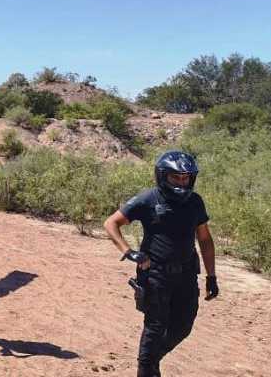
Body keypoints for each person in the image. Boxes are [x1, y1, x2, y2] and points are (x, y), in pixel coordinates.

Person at [103, 151, 219, 377]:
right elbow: (111, 223)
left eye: (186, 177)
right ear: (163, 176)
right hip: (155, 275)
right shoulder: (148, 199)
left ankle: (150, 361)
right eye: (176, 177)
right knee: (155, 328)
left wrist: (211, 276)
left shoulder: (195, 202)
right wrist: (129, 252)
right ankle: (146, 368)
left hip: (186, 276)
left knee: (183, 327)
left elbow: (204, 239)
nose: (181, 182)